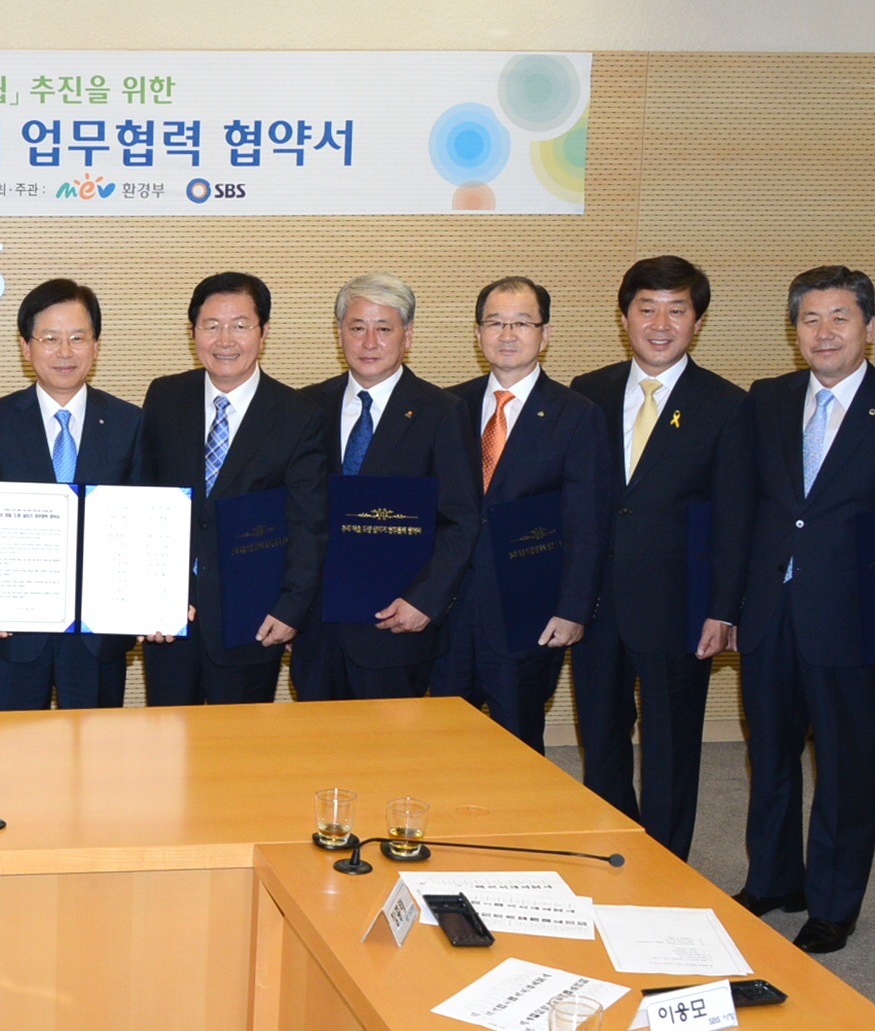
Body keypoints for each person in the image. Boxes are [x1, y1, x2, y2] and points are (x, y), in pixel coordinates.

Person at [730, 265, 875, 954]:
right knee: (770, 756)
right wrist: (730, 606)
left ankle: (831, 905)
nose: (824, 332)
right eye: (810, 319)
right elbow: (747, 510)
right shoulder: (767, 399)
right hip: (770, 610)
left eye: (840, 318)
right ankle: (773, 880)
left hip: (856, 620)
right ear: (794, 330)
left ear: (869, 328)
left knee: (846, 770)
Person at [568, 257, 748, 860]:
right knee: (601, 737)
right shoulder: (588, 391)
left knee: (671, 746)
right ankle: (611, 851)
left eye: (677, 310)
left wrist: (724, 608)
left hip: (679, 605)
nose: (660, 324)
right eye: (647, 309)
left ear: (698, 321)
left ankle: (667, 864)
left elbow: (734, 518)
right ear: (625, 317)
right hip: (595, 602)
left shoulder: (726, 404)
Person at [434, 277, 613, 751]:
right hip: (450, 610)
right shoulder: (448, 406)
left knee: (518, 746)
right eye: (495, 323)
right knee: (441, 742)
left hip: (528, 612)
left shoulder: (577, 414)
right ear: (478, 333)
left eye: (521, 323)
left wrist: (573, 610)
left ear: (545, 334)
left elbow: (588, 523)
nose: (507, 334)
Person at [137, 272, 327, 705]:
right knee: (165, 736)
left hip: (253, 619)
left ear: (263, 331)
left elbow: (309, 524)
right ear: (193, 332)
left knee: (241, 742)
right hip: (169, 615)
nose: (225, 340)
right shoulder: (165, 396)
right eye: (212, 325)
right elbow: (145, 498)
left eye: (240, 325)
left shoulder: (298, 415)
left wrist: (291, 609)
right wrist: (145, 598)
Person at [291, 273, 477, 701]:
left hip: (396, 624)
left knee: (390, 743)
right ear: (340, 334)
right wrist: (288, 607)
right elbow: (292, 512)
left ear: (407, 336)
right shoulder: (305, 407)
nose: (369, 342)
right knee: (314, 740)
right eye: (357, 327)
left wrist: (425, 601)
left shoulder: (442, 412)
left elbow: (461, 521)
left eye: (384, 328)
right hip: (316, 627)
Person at [0, 279, 145, 710]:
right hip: (13, 630)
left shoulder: (130, 423)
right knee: (10, 747)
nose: (65, 352)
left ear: (96, 346)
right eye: (50, 338)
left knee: (97, 749)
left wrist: (149, 600)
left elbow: (143, 523)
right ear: (25, 347)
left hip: (98, 633)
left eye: (78, 338)